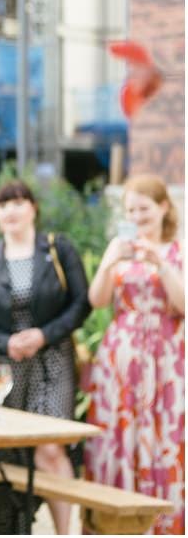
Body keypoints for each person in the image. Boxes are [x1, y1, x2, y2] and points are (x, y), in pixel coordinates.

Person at [0, 179, 91, 534]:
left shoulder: (58, 249)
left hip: (52, 363)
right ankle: (12, 527)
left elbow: (82, 302)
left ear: (33, 207)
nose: (11, 210)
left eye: (18, 202)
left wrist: (43, 335)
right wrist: (6, 342)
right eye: (3, 204)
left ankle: (65, 531)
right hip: (2, 368)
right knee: (8, 453)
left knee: (50, 448)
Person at [84, 174, 184, 535]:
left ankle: (163, 521)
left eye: (144, 208)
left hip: (166, 359)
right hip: (120, 356)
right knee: (118, 432)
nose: (138, 216)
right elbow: (97, 301)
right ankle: (116, 521)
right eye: (131, 210)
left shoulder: (177, 249)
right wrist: (109, 261)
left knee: (162, 433)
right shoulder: (119, 247)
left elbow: (183, 305)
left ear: (163, 207)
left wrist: (161, 263)